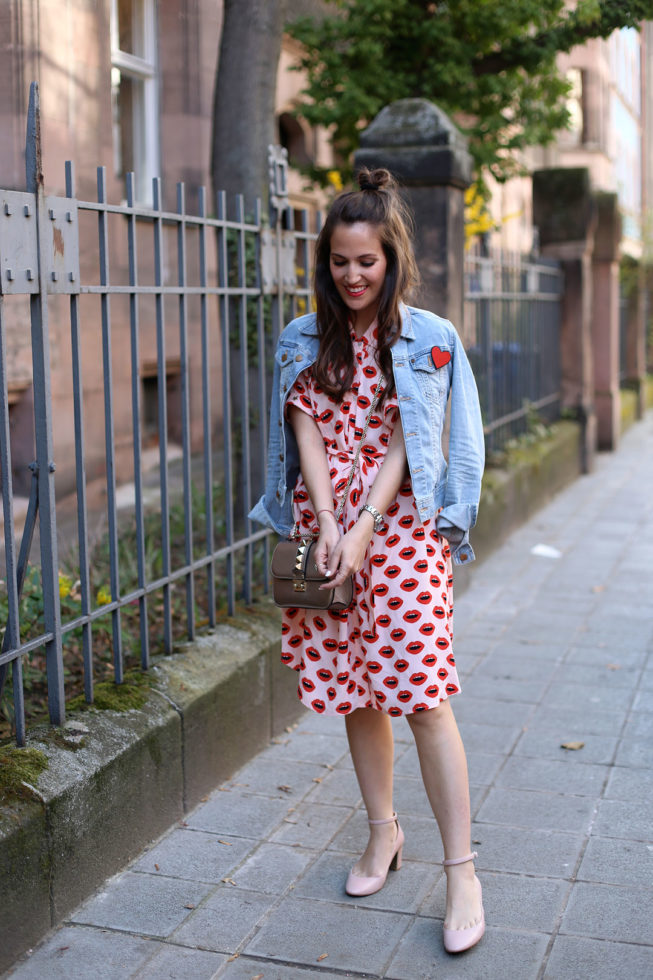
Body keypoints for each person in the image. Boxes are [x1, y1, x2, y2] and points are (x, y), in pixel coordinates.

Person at [250, 168, 485, 954]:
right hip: (328, 530)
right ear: (326, 262)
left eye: (367, 262)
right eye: (340, 262)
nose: (353, 276)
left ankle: (461, 872)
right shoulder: (300, 338)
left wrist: (363, 527)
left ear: (392, 259)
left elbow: (405, 445)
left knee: (422, 696)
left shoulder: (428, 338)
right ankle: (383, 834)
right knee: (357, 694)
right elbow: (306, 431)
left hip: (404, 530)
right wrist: (322, 522)